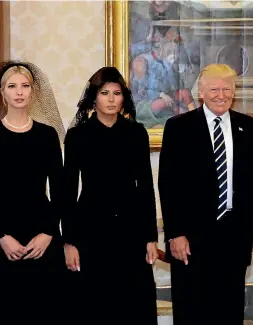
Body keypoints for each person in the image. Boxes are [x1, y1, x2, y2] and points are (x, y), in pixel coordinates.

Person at [158, 63, 253, 325]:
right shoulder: (178, 127)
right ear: (200, 92)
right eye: (214, 89)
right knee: (191, 310)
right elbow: (168, 184)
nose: (221, 95)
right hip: (190, 237)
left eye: (227, 89)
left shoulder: (251, 129)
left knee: (229, 310)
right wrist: (175, 232)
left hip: (235, 235)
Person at [62, 67, 159, 323]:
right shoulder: (77, 136)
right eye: (105, 93)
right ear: (94, 97)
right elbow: (68, 191)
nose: (112, 99)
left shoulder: (136, 133)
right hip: (90, 229)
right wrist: (69, 242)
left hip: (132, 230)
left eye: (117, 93)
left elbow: (146, 187)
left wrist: (150, 237)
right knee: (93, 305)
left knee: (133, 305)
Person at [0, 60, 66, 324]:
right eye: (12, 86)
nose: (19, 92)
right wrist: (1, 236)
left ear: (33, 91)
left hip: (40, 238)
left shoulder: (47, 136)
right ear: (2, 92)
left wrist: (48, 234)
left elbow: (61, 191)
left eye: (25, 86)